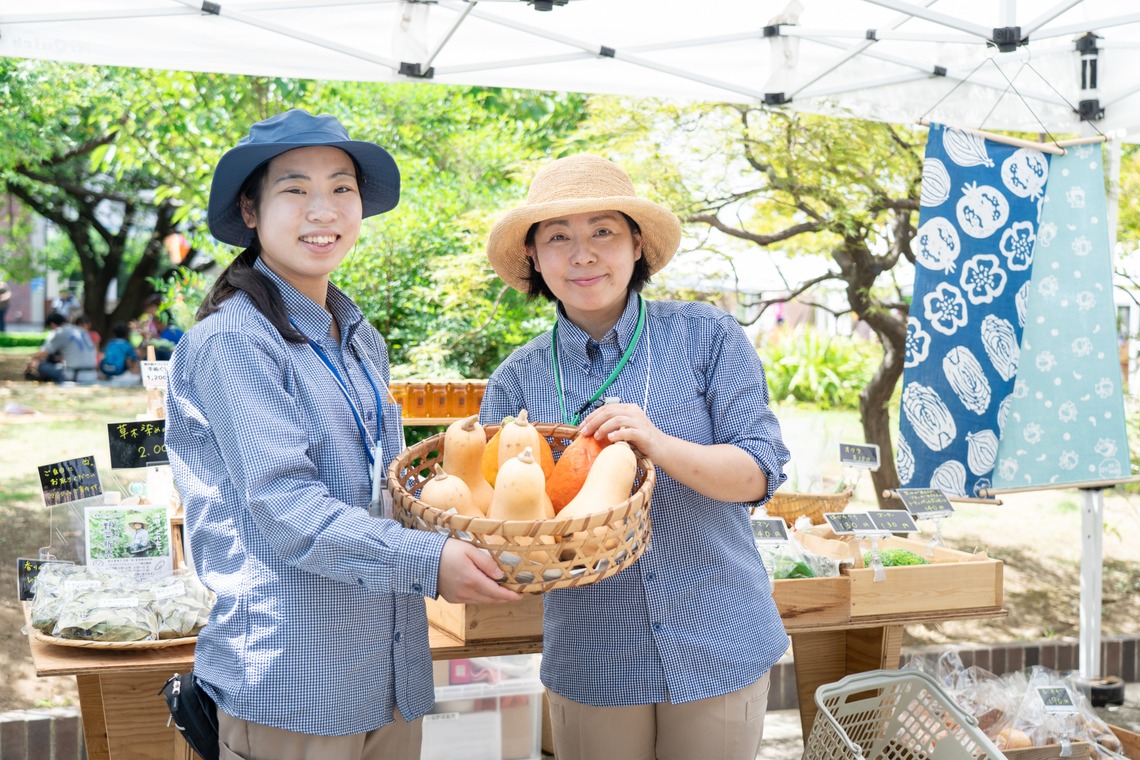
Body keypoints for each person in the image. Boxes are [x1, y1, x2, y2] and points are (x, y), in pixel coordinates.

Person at [164, 108, 519, 760]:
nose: (322, 211)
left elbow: (379, 491)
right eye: (295, 189)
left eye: (341, 188)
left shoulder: (358, 338)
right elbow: (289, 508)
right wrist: (431, 560)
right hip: (293, 679)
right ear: (251, 210)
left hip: (385, 673)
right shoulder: (235, 340)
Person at [479, 154, 791, 760]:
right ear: (535, 259)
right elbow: (504, 525)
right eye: (559, 238)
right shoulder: (516, 382)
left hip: (717, 635)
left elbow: (757, 473)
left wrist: (659, 444)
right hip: (594, 652)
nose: (583, 254)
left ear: (637, 244)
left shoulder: (706, 335)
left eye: (603, 232)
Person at [29, 312, 98, 383]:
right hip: (92, 374)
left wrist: (31, 362)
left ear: (52, 324)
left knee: (38, 364)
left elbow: (42, 355)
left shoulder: (59, 332)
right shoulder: (81, 331)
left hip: (75, 375)